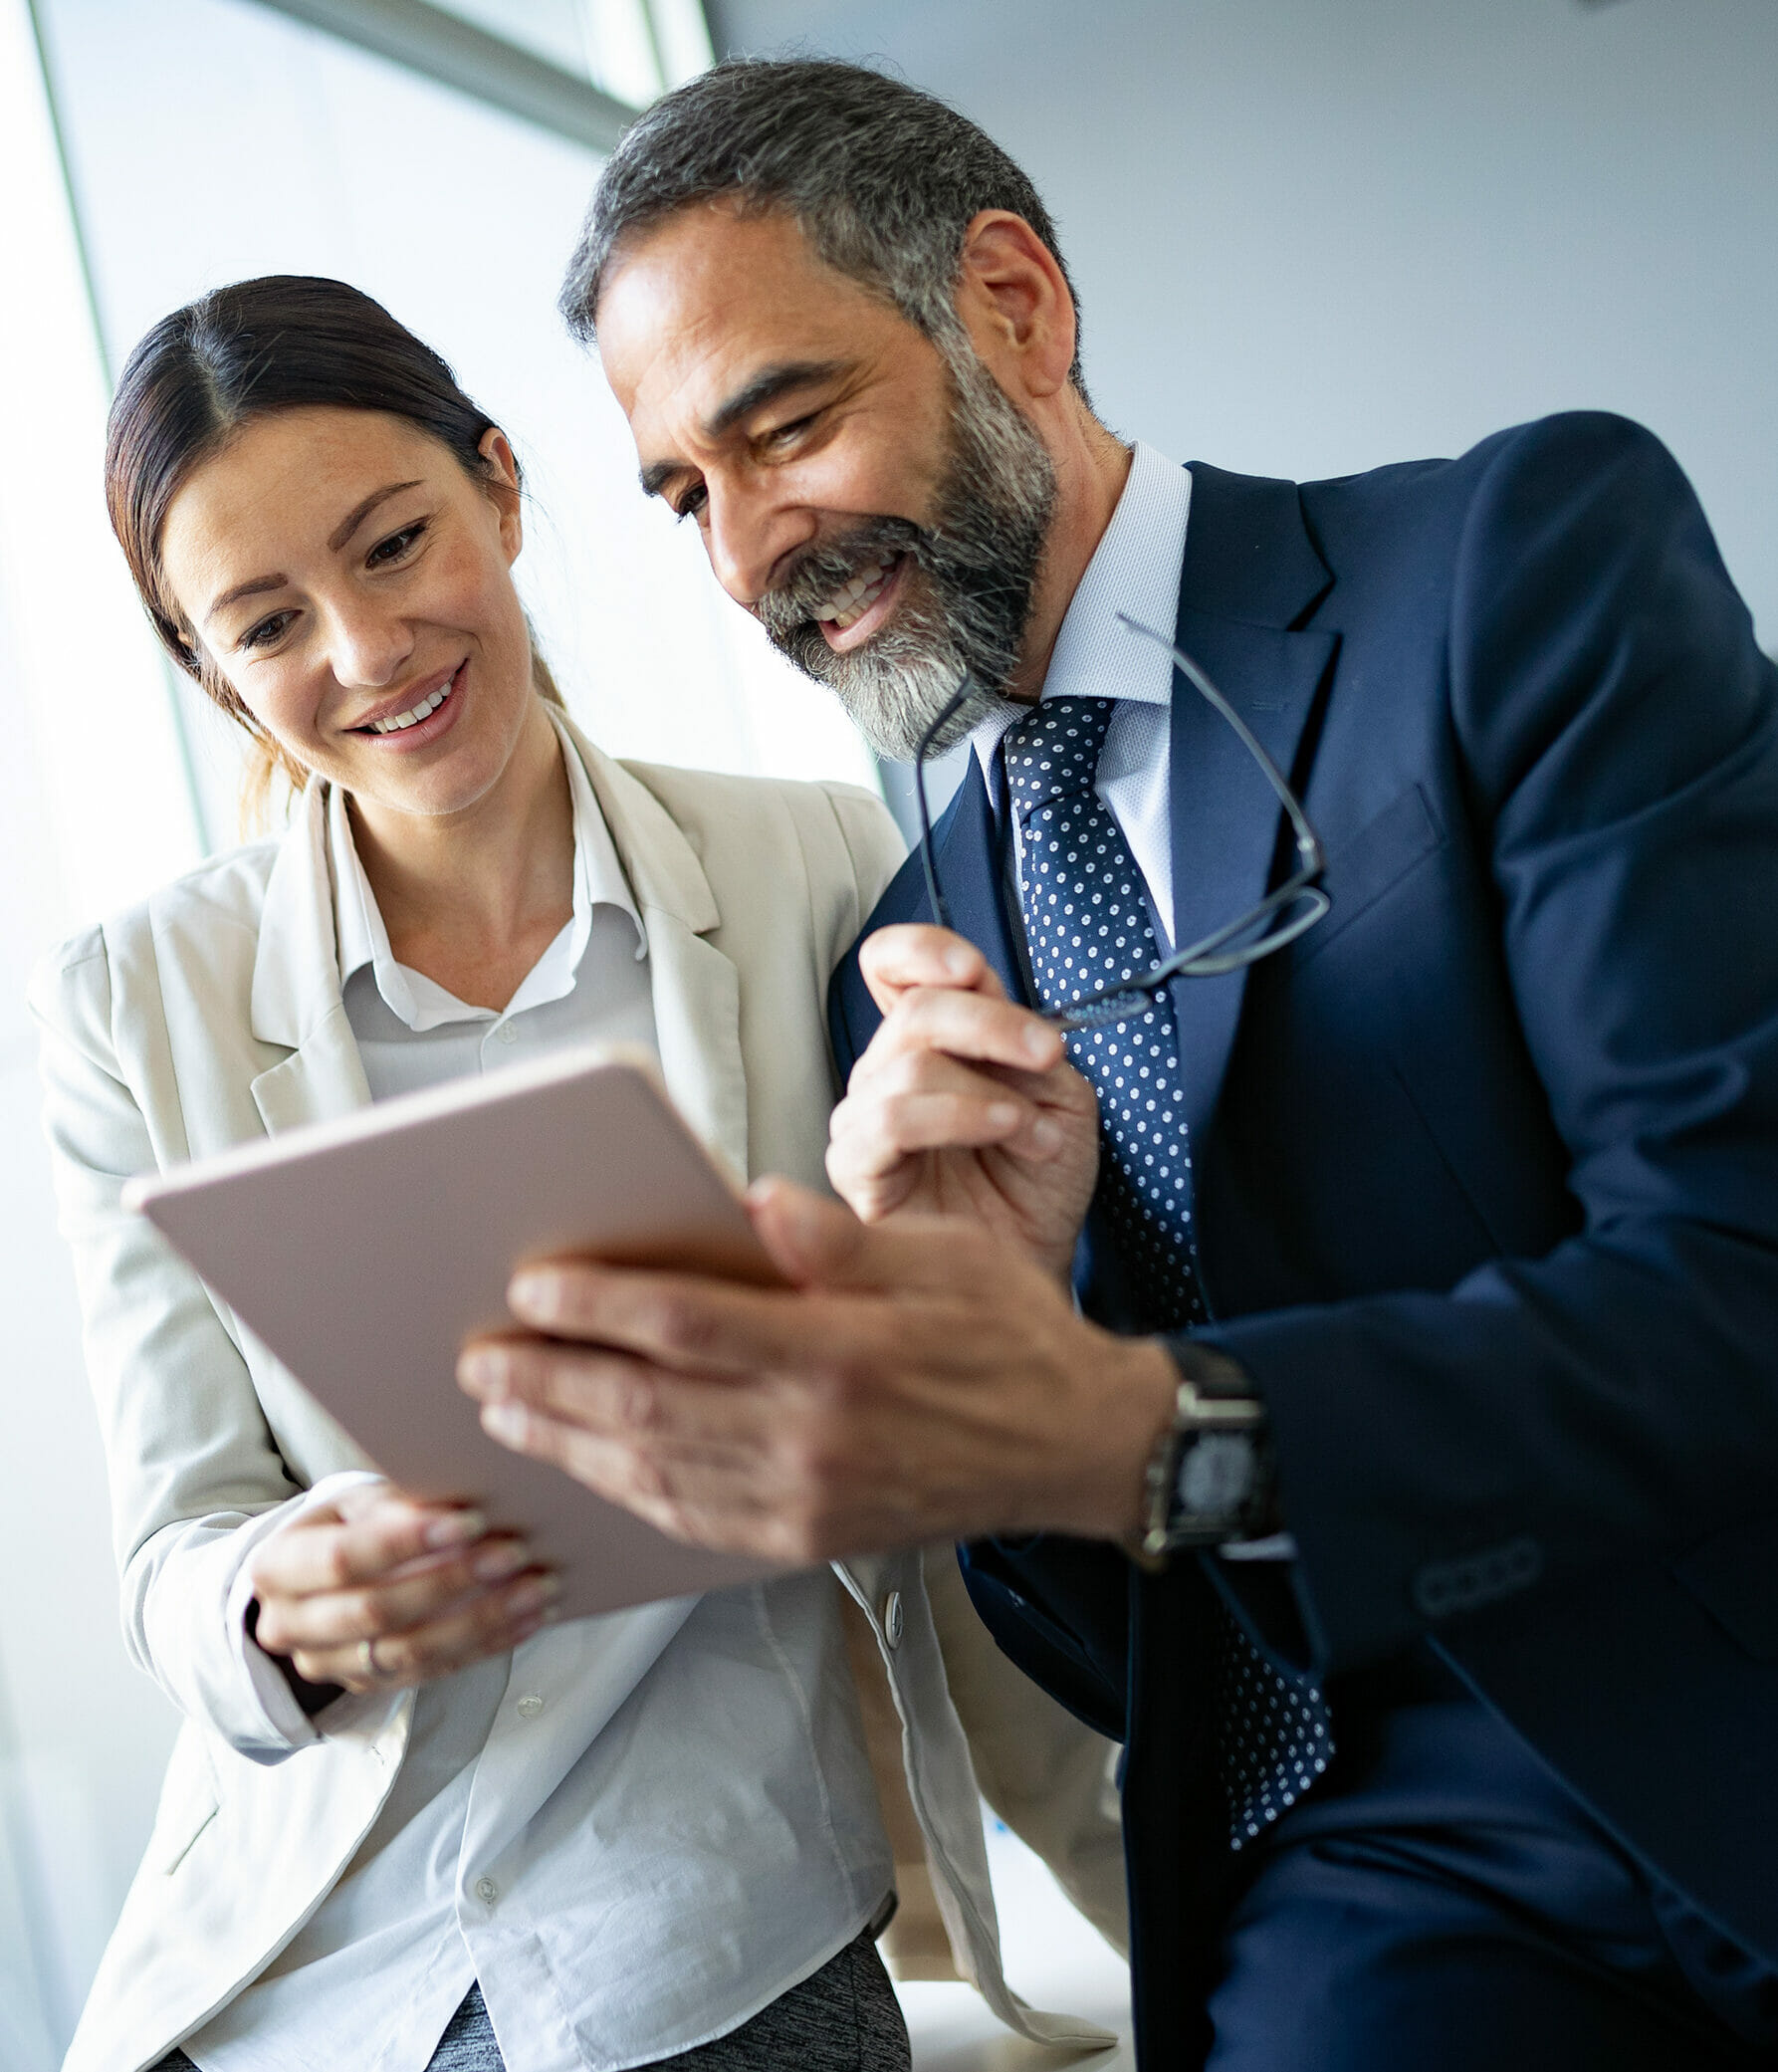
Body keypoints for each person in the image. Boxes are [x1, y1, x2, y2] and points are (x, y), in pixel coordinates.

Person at [456, 57, 1778, 2072]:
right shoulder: (906, 964)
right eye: (681, 496)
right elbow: (1107, 1648)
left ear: (1011, 307)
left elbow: (1738, 1281)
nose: (745, 561)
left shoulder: (1509, 572)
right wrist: (972, 1338)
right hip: (1373, 1871)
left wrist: (1144, 1426)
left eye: (785, 427)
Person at [30, 275, 1120, 2072]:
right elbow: (175, 1536)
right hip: (320, 1957)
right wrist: (274, 1601)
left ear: (503, 491)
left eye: (395, 545)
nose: (369, 651)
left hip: (699, 1919)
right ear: (205, 665)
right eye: (269, 619)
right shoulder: (134, 1002)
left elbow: (979, 1344)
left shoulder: (820, 870)